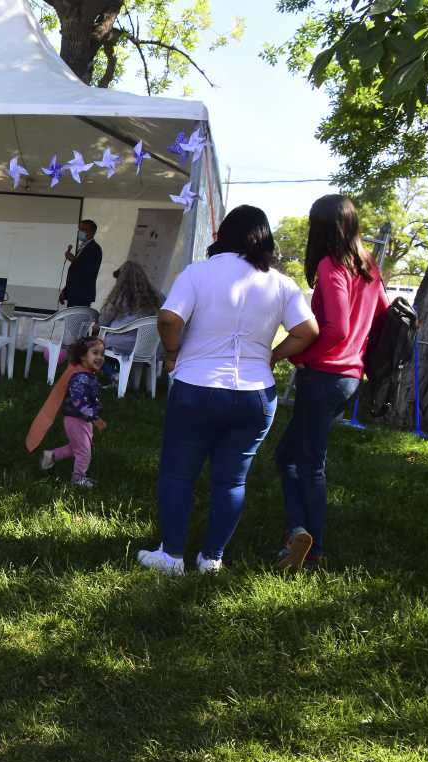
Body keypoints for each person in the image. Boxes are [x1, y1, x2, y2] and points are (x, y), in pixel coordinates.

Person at [136, 206, 319, 576]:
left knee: (177, 473)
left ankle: (171, 556)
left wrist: (173, 352)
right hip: (255, 394)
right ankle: (212, 558)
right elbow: (308, 331)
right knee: (232, 479)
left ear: (223, 234)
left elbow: (169, 318)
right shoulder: (281, 283)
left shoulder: (198, 273)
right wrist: (273, 356)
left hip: (197, 387)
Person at [273, 195, 390, 572]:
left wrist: (301, 356)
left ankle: (311, 546)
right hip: (350, 377)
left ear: (320, 227)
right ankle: (299, 532)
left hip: (324, 375)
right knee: (289, 455)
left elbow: (337, 326)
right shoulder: (369, 265)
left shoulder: (330, 265)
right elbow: (383, 315)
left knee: (309, 463)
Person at [30, 337, 108, 488]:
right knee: (84, 452)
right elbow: (79, 401)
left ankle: (51, 456)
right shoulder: (80, 378)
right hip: (76, 420)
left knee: (77, 447)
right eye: (95, 353)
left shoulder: (87, 375)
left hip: (82, 420)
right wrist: (95, 417)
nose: (99, 357)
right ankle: (78, 479)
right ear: (83, 356)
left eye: (102, 354)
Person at [97, 260, 165, 386]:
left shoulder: (119, 297)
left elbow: (103, 321)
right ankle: (128, 381)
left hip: (123, 344)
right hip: (149, 346)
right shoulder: (157, 297)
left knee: (93, 347)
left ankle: (115, 375)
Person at [60, 219, 102, 308]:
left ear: (90, 232)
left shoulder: (95, 249)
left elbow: (88, 271)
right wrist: (65, 290)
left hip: (82, 296)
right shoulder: (82, 247)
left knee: (78, 321)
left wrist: (73, 259)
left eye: (82, 229)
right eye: (79, 229)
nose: (79, 232)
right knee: (71, 321)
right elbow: (75, 274)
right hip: (74, 294)